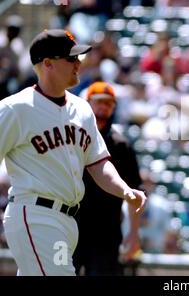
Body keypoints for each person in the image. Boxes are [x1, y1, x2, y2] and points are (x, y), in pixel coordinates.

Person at [0, 29, 147, 276]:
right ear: (47, 64)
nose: (78, 63)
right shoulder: (15, 108)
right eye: (70, 58)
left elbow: (98, 162)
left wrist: (124, 190)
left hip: (67, 221)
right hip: (35, 215)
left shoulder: (82, 109)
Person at [73, 82, 142, 276]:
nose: (103, 107)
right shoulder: (73, 139)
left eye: (109, 103)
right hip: (71, 226)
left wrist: (134, 233)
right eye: (99, 102)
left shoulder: (121, 145)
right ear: (87, 103)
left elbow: (135, 191)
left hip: (106, 231)